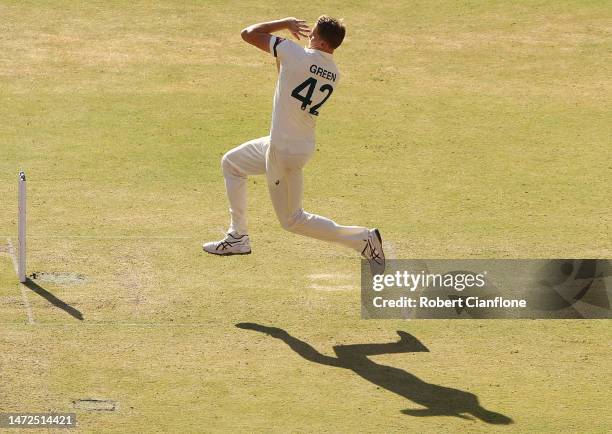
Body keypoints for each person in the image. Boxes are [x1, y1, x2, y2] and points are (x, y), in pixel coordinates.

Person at [203, 15, 385, 275]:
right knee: (232, 162)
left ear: (322, 41)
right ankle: (237, 236)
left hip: (283, 151)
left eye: (313, 35)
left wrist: (285, 23)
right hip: (291, 145)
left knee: (292, 220)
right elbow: (287, 79)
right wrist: (285, 55)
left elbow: (248, 33)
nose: (309, 37)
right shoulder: (334, 72)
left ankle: (362, 239)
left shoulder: (295, 53)